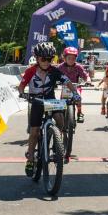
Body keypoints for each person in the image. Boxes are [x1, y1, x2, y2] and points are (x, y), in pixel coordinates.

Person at [18, 42, 80, 176]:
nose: (46, 62)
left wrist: (75, 93)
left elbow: (67, 82)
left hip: (51, 100)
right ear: (37, 58)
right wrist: (23, 93)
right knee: (34, 131)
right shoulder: (30, 71)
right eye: (43, 59)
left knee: (60, 119)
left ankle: (57, 143)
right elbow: (21, 86)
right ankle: (30, 159)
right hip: (37, 101)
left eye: (49, 59)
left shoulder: (54, 71)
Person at [57, 47, 91, 123]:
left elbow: (85, 75)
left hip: (76, 88)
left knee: (78, 98)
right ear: (64, 58)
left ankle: (79, 112)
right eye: (69, 58)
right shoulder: (60, 67)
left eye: (73, 58)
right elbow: (54, 74)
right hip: (65, 88)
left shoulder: (78, 67)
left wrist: (88, 81)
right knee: (61, 105)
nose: (71, 60)